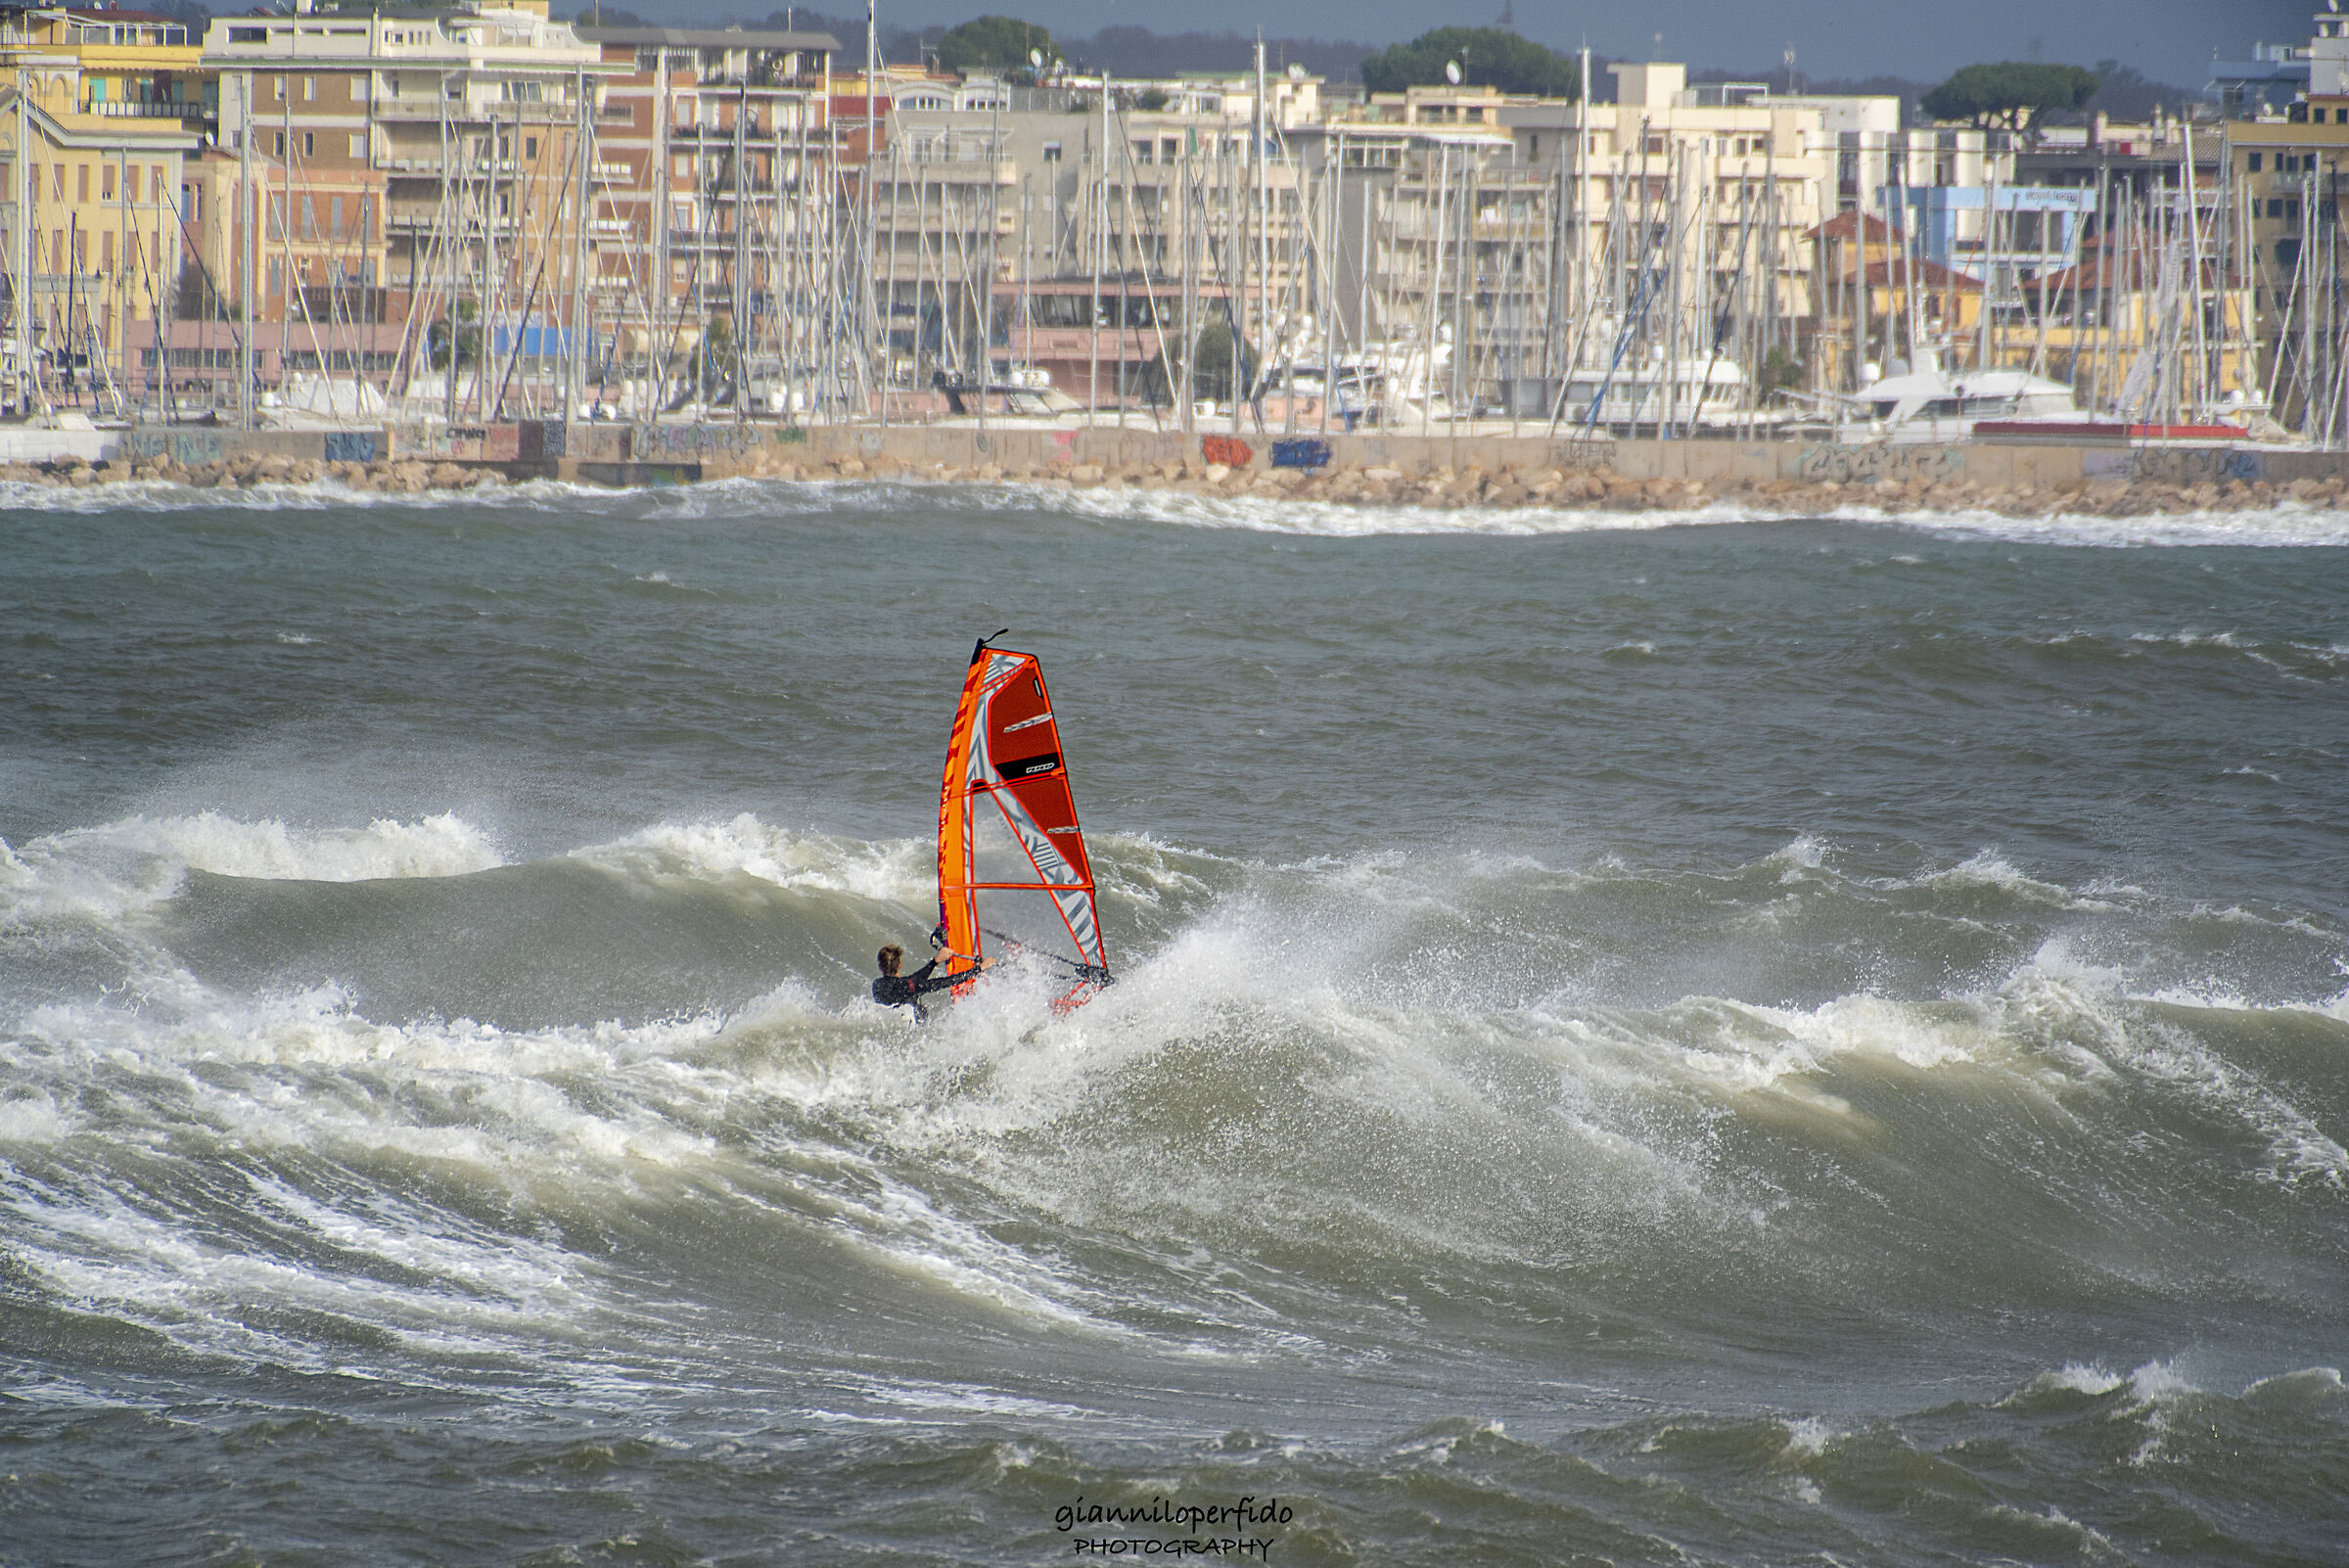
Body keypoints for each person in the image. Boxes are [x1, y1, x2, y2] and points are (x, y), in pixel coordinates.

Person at [872, 942, 984, 1021]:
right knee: (921, 1009)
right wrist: (979, 968)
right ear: (900, 965)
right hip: (913, 1030)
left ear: (880, 967)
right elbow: (947, 981)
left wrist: (935, 961)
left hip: (895, 1023)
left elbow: (914, 980)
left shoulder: (877, 985)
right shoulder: (908, 985)